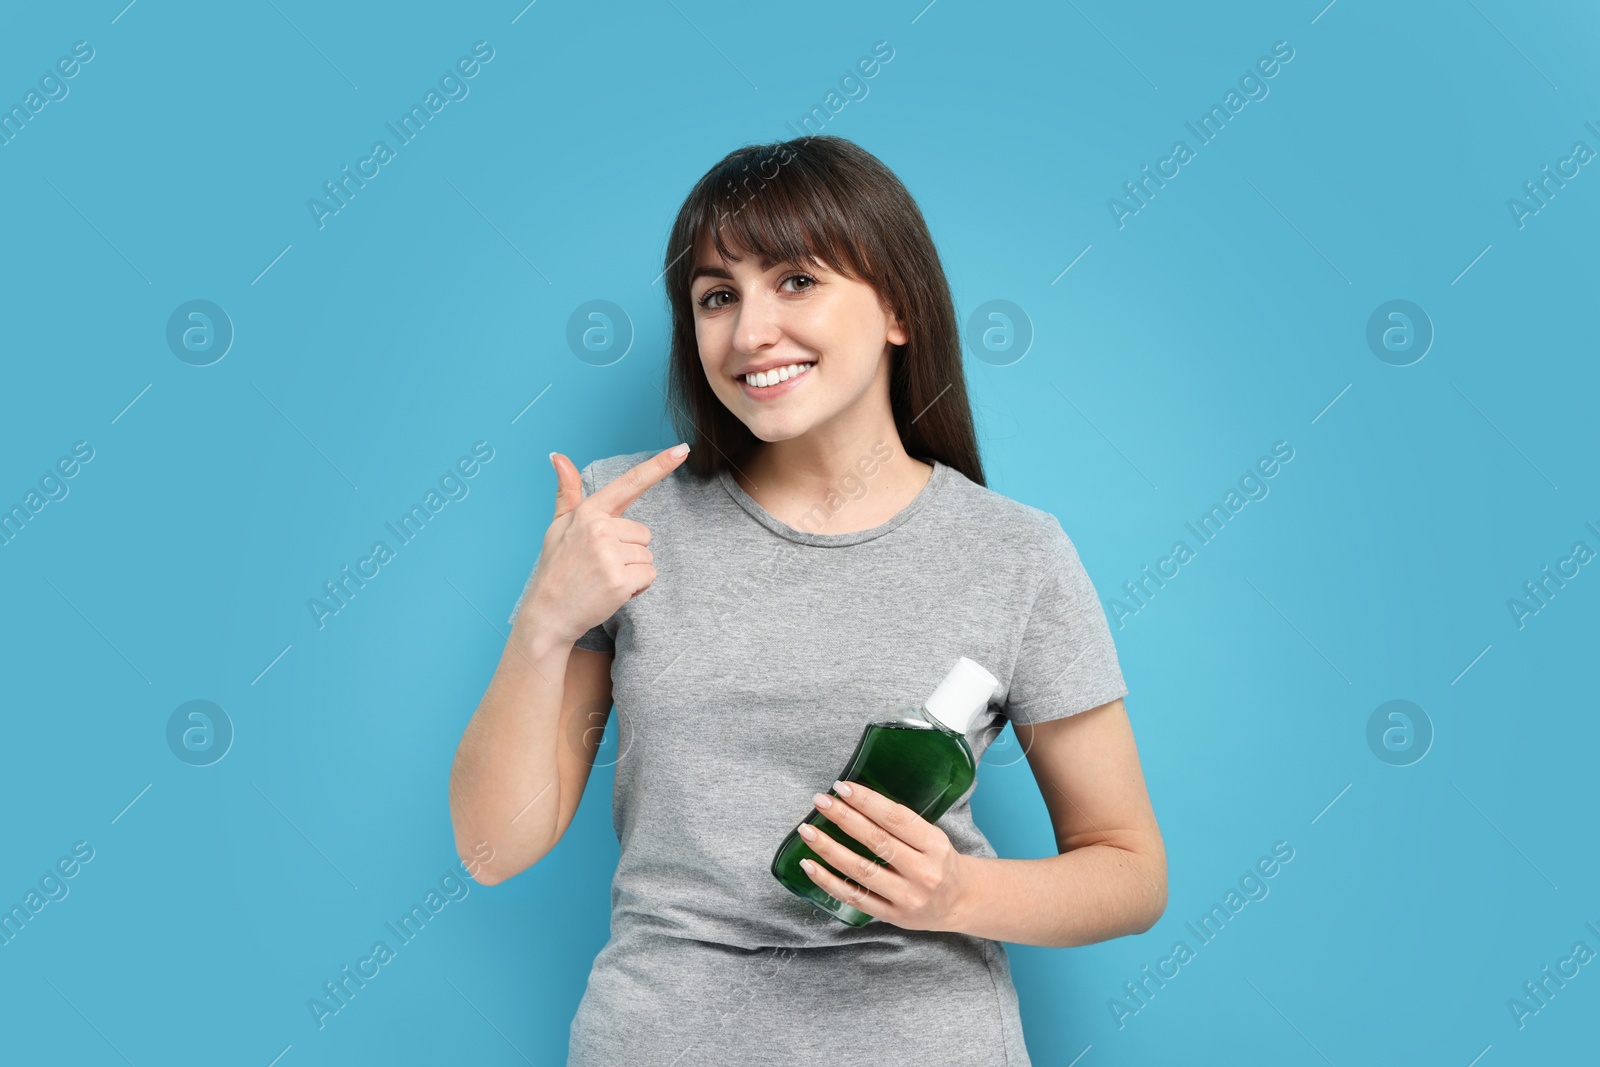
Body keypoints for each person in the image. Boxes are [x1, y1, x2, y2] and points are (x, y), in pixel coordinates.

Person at [448, 135, 1167, 1066]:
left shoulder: (1015, 553)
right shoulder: (623, 517)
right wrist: (543, 623)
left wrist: (957, 896)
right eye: (717, 295)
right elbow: (492, 849)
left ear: (899, 307)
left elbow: (1129, 870)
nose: (750, 332)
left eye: (796, 281)